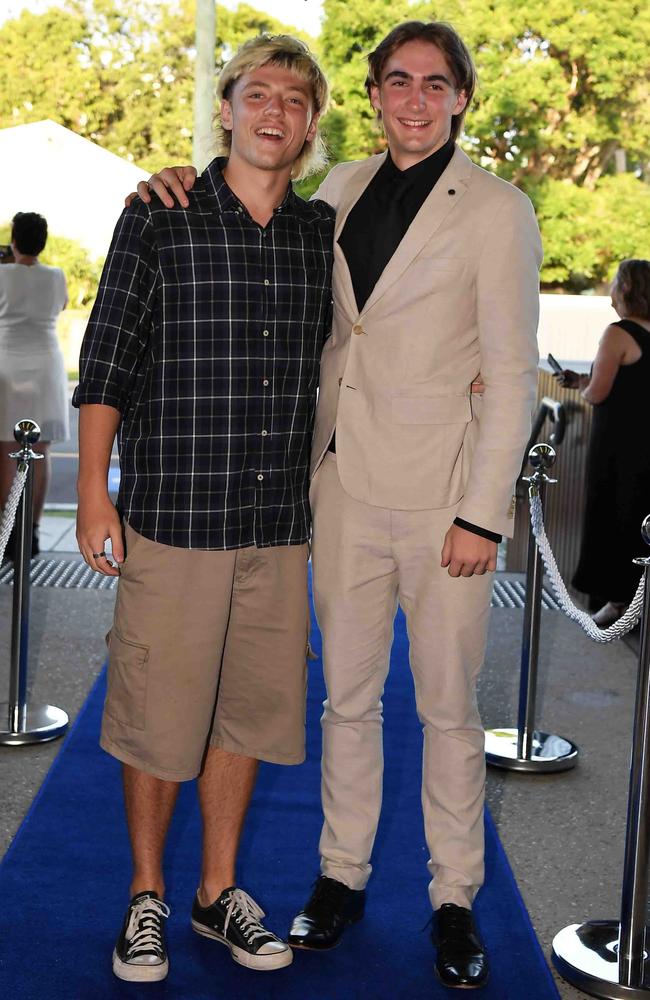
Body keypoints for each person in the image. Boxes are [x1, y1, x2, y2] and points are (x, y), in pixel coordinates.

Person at [138, 19, 542, 989]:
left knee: (446, 712)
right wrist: (168, 186)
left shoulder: (496, 210)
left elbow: (510, 372)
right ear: (370, 95)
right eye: (396, 81)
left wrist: (481, 515)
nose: (412, 98)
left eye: (432, 84)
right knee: (346, 705)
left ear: (458, 98)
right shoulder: (338, 189)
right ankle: (340, 878)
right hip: (342, 495)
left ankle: (452, 898)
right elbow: (266, 244)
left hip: (444, 501)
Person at [74, 34, 334, 983]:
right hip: (173, 518)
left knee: (247, 716)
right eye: (257, 93)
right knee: (156, 714)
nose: (274, 111)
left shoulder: (321, 233)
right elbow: (105, 359)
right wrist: (91, 491)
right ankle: (146, 896)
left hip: (276, 529)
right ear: (225, 108)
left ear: (310, 125)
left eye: (295, 99)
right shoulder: (160, 215)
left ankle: (216, 892)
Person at [555, 259, 650, 627]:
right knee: (640, 519)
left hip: (618, 447)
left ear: (625, 289)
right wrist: (584, 379)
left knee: (613, 517)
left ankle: (617, 602)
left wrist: (584, 385)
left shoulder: (617, 333)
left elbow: (597, 394)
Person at [0, 212, 68, 558]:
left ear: (15, 240)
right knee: (41, 451)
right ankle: (34, 531)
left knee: (5, 452)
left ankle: (7, 532)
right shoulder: (56, 276)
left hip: (7, 362)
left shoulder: (2, 274)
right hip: (45, 365)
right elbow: (62, 306)